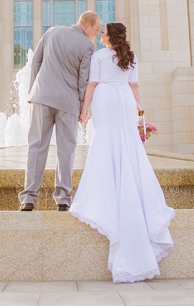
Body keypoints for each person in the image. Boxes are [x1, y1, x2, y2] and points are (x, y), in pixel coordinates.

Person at [70, 22, 174, 282]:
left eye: (103, 33)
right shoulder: (131, 56)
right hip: (125, 102)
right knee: (127, 146)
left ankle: (107, 189)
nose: (101, 36)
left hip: (105, 98)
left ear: (109, 36)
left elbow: (92, 85)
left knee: (105, 142)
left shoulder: (100, 56)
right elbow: (134, 86)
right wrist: (140, 112)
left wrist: (84, 111)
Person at [19, 11, 99, 211]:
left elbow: (36, 61)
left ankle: (28, 198)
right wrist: (84, 109)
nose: (96, 35)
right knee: (66, 150)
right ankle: (63, 198)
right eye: (96, 30)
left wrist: (34, 90)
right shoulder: (87, 46)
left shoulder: (52, 32)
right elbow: (83, 80)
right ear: (87, 26)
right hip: (68, 103)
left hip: (42, 97)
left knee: (36, 146)